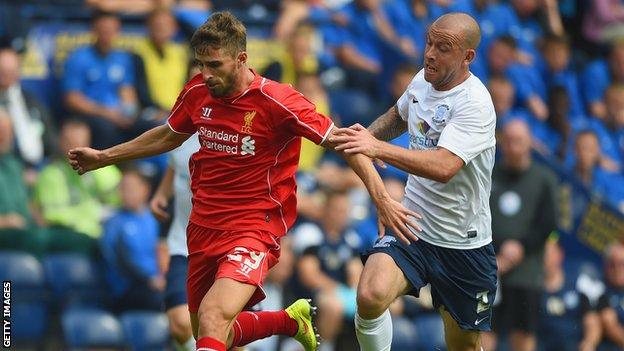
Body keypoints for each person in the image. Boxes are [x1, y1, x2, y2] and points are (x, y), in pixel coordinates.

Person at [68, 11, 414, 351]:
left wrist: (380, 196)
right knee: (207, 330)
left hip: (253, 226)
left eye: (214, 65)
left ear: (241, 58)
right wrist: (104, 157)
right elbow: (166, 136)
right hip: (203, 225)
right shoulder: (197, 92)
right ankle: (289, 322)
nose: (205, 74)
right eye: (200, 63)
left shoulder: (278, 101)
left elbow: (343, 143)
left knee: (214, 317)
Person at [331, 12, 497, 350]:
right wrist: (368, 135)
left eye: (443, 48)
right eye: (429, 43)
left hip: (464, 244)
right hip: (412, 224)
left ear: (468, 57)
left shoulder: (475, 103)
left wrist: (377, 147)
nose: (430, 54)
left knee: (462, 344)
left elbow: (445, 166)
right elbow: (399, 116)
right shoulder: (423, 79)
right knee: (370, 295)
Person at [485, 119, 558, 351]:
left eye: (518, 141)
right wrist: (496, 254)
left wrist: (521, 247)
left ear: (529, 144)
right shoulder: (489, 174)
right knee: (485, 328)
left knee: (523, 332)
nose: (513, 147)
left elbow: (548, 223)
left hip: (527, 271)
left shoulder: (544, 179)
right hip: (491, 267)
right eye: (508, 141)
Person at [150, 135, 199, 351]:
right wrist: (162, 193)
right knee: (180, 322)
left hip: (226, 247)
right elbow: (175, 162)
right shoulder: (183, 124)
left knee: (230, 332)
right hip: (183, 244)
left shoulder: (232, 130)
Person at [100, 166, 164, 312]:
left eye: (131, 188)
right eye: (123, 188)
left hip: (158, 284)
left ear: (145, 190)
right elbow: (121, 261)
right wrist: (149, 279)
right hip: (128, 288)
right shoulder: (113, 223)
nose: (126, 193)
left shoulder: (156, 220)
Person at [538, 236, 601, 351]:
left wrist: (589, 343)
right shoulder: (531, 287)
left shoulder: (578, 284)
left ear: (559, 255)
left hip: (572, 345)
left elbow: (591, 321)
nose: (543, 258)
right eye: (540, 254)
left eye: (547, 254)